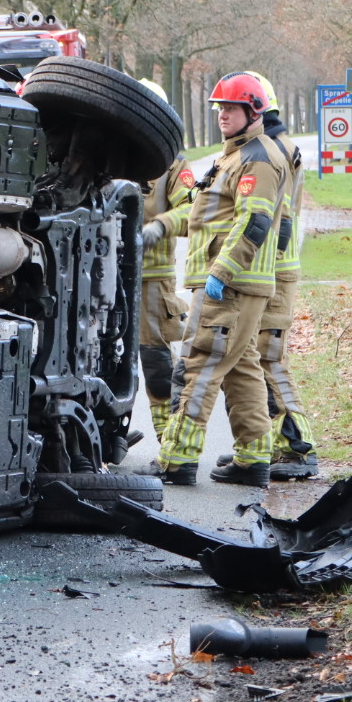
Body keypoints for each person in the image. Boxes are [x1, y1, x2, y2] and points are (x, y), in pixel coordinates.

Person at [155, 72, 290, 488]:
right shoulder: (236, 154)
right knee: (242, 368)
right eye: (219, 108)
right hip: (238, 286)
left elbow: (256, 219)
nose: (221, 115)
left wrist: (221, 272)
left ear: (254, 111)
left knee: (199, 365)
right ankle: (253, 458)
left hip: (229, 286)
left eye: (230, 108)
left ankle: (176, 458)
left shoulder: (257, 158)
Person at [237, 73, 319, 480]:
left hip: (276, 268)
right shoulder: (276, 146)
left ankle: (299, 446)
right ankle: (271, 445)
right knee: (256, 358)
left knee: (269, 358)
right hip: (272, 266)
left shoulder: (273, 151)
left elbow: (273, 217)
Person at [137, 79, 194, 438]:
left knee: (155, 361)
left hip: (151, 282)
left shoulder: (173, 166)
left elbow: (194, 212)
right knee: (100, 359)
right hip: (101, 277)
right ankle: (107, 433)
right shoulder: (110, 159)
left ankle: (168, 437)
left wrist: (159, 226)